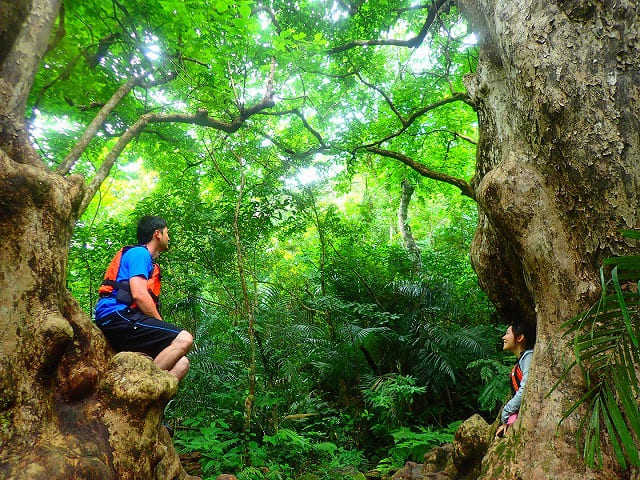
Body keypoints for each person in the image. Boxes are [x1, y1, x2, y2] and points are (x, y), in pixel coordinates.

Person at [95, 215, 193, 381]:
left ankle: (147, 399)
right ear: (157, 234)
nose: (169, 237)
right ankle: (140, 384)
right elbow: (139, 295)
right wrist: (160, 323)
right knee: (184, 339)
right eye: (167, 233)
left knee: (182, 363)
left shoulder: (147, 260)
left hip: (127, 320)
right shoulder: (140, 254)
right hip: (117, 315)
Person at [495, 321, 536, 438]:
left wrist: (505, 413)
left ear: (520, 337)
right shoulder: (522, 360)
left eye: (507, 333)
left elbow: (525, 389)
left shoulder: (528, 357)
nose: (503, 337)